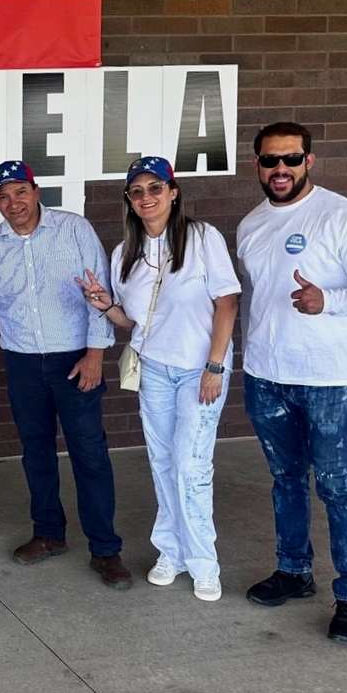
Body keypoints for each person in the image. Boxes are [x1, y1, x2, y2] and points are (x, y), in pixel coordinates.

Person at [0, 160, 132, 590]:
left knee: (90, 454)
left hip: (75, 357)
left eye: (20, 193)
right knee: (36, 451)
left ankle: (105, 549)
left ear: (36, 190)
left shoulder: (73, 229)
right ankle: (49, 533)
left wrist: (95, 353)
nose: (14, 203)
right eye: (3, 197)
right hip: (23, 362)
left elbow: (99, 291)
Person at [236, 121, 347, 645]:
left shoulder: (344, 216)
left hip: (329, 379)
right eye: (271, 161)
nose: (281, 170)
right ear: (257, 165)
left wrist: (330, 301)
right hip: (266, 376)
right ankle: (294, 572)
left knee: (338, 487)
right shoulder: (251, 224)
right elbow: (257, 298)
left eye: (292, 159)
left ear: (310, 161)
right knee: (286, 481)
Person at [77, 157, 239, 602]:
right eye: (137, 191)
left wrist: (215, 366)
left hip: (199, 369)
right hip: (154, 370)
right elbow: (130, 322)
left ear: (173, 191)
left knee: (192, 466)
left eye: (155, 188)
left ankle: (205, 561)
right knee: (164, 464)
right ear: (129, 200)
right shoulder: (124, 253)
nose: (146, 197)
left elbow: (226, 303)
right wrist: (102, 304)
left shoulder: (203, 238)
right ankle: (172, 551)